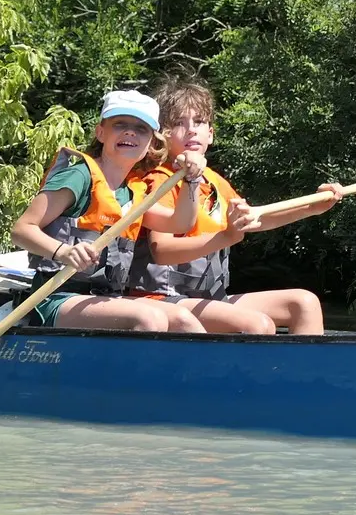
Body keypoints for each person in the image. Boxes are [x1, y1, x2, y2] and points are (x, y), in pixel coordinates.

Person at [129, 77, 344, 334]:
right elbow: (161, 250)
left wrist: (312, 208)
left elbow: (255, 219)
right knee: (256, 324)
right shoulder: (160, 181)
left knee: (303, 303)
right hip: (162, 297)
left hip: (210, 297)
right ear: (162, 136)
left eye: (199, 122)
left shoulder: (214, 182)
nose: (191, 130)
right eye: (178, 123)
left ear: (210, 133)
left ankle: (303, 375)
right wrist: (227, 236)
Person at [10, 90, 209, 331]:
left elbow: (181, 223)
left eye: (141, 128)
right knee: (149, 318)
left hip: (106, 298)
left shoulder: (132, 194)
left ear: (151, 143)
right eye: (120, 124)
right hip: (56, 297)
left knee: (183, 319)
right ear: (101, 132)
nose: (130, 132)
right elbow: (21, 230)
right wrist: (63, 251)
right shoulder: (78, 177)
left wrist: (192, 179)